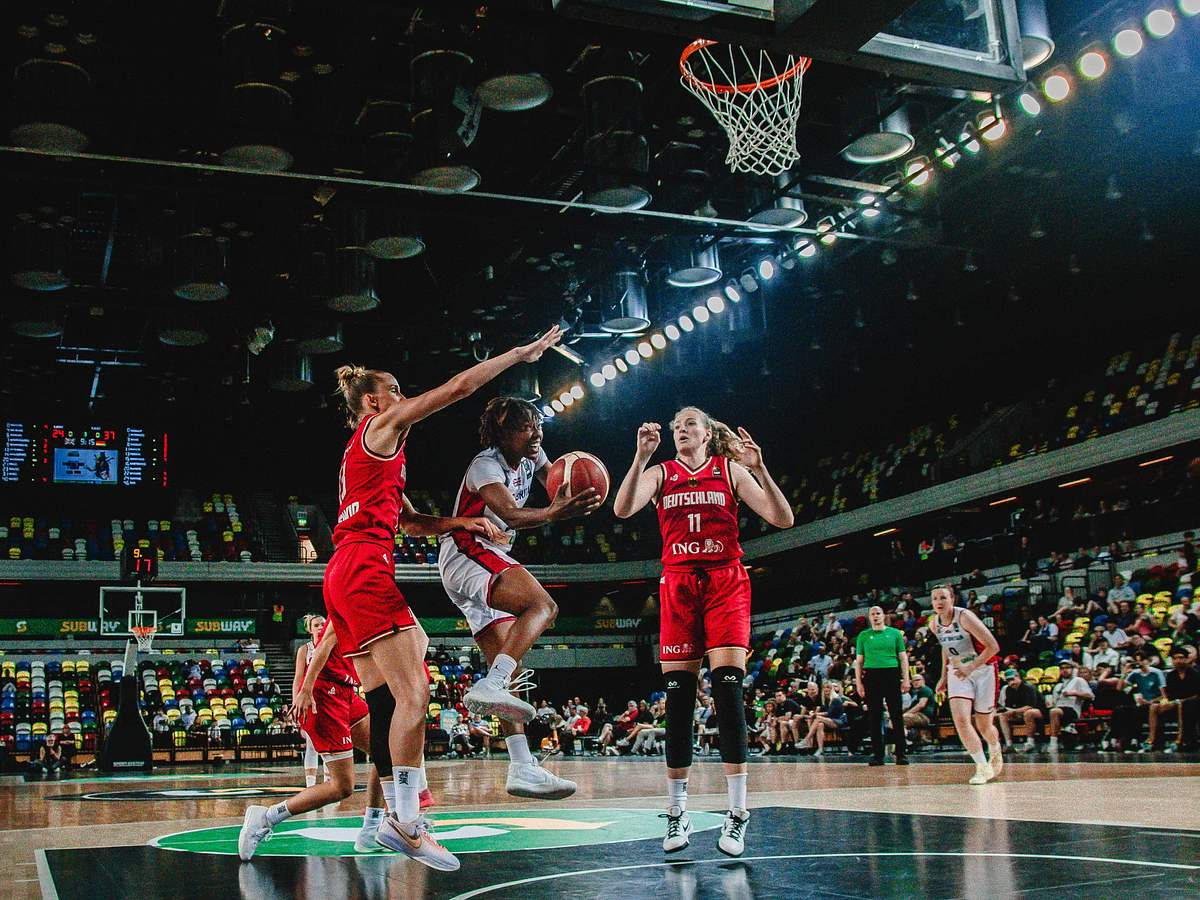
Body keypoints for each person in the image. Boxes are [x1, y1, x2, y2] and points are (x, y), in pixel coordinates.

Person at [319, 326, 561, 871]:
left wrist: (461, 520)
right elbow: (454, 389)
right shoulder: (381, 426)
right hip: (363, 567)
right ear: (374, 402)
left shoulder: (365, 457)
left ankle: (390, 817)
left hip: (343, 571)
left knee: (389, 695)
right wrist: (520, 355)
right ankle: (406, 821)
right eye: (396, 390)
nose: (404, 397)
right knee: (416, 693)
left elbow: (406, 519)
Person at [613, 406, 793, 858]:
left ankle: (737, 814)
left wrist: (761, 469)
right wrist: (639, 459)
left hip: (725, 580)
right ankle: (677, 812)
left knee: (729, 692)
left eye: (688, 423)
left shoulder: (730, 470)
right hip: (677, 584)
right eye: (676, 426)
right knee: (678, 699)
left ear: (708, 433)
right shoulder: (661, 473)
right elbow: (622, 508)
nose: (680, 430)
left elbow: (782, 518)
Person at [438, 396, 598, 799]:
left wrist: (581, 491)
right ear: (502, 433)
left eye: (538, 425)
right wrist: (554, 514)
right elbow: (509, 515)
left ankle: (521, 765)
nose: (536, 433)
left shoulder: (533, 453)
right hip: (466, 550)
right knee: (543, 605)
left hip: (484, 556)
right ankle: (490, 684)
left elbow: (558, 482)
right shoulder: (485, 465)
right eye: (526, 427)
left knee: (511, 665)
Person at [239, 619, 386, 859]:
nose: (319, 626)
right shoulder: (337, 613)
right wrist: (304, 692)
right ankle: (266, 817)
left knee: (385, 752)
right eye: (315, 624)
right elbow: (323, 648)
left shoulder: (364, 609)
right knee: (342, 787)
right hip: (325, 697)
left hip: (347, 693)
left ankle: (372, 830)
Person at [930, 585, 1003, 784]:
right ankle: (981, 766)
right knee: (961, 720)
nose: (939, 602)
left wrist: (970, 667)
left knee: (984, 725)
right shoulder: (934, 624)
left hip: (984, 669)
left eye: (943, 597)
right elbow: (946, 647)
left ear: (952, 599)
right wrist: (944, 675)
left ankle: (995, 747)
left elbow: (993, 647)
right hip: (957, 672)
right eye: (935, 598)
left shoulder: (965, 617)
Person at [854, 606, 910, 767]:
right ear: (869, 617)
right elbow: (859, 662)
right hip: (871, 676)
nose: (876, 616)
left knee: (896, 715)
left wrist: (906, 679)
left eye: (878, 613)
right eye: (873, 614)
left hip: (891, 674)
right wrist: (859, 683)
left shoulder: (894, 633)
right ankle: (878, 754)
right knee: (874, 716)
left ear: (883, 615)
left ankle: (901, 753)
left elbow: (903, 658)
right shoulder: (863, 636)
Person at [293, 614, 329, 789]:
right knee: (312, 743)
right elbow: (298, 677)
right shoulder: (304, 650)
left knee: (331, 742)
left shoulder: (332, 644)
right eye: (316, 625)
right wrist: (295, 702)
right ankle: (310, 785)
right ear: (309, 629)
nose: (321, 627)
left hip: (330, 697)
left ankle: (330, 782)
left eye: (323, 624)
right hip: (310, 698)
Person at [1148, 648, 1198, 752]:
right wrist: (1162, 702)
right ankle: (1153, 742)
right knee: (1155, 707)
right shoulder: (1171, 675)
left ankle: (1179, 741)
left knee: (1183, 705)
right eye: (1175, 658)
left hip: (1192, 705)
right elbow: (1169, 694)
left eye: (1181, 658)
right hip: (1174, 704)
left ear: (1187, 659)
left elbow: (1197, 695)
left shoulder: (1195, 674)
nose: (1178, 661)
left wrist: (1179, 702)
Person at [1046, 659, 1094, 752]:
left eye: (1067, 667)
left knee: (1054, 711)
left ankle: (1053, 743)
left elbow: (1091, 696)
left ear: (1072, 669)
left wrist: (1075, 693)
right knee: (1034, 712)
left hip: (1072, 709)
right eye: (1062, 668)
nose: (1064, 670)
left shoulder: (1078, 680)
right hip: (1058, 708)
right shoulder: (1058, 686)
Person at [997, 668, 1045, 752]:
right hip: (1020, 712)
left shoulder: (1029, 687)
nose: (1011, 682)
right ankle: (1009, 744)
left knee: (1028, 713)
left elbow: (1030, 706)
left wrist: (1013, 711)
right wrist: (1004, 710)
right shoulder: (1008, 690)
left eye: (1012, 679)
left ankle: (1030, 743)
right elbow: (1009, 706)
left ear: (1018, 677)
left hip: (1039, 712)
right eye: (1008, 680)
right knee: (1002, 715)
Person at [801, 681, 847, 758]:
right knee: (820, 725)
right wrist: (814, 714)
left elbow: (829, 713)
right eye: (824, 687)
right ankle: (820, 749)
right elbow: (823, 711)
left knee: (818, 719)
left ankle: (806, 740)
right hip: (829, 720)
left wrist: (816, 715)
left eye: (828, 687)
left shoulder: (835, 699)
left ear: (832, 689)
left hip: (839, 720)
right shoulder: (824, 699)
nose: (826, 689)